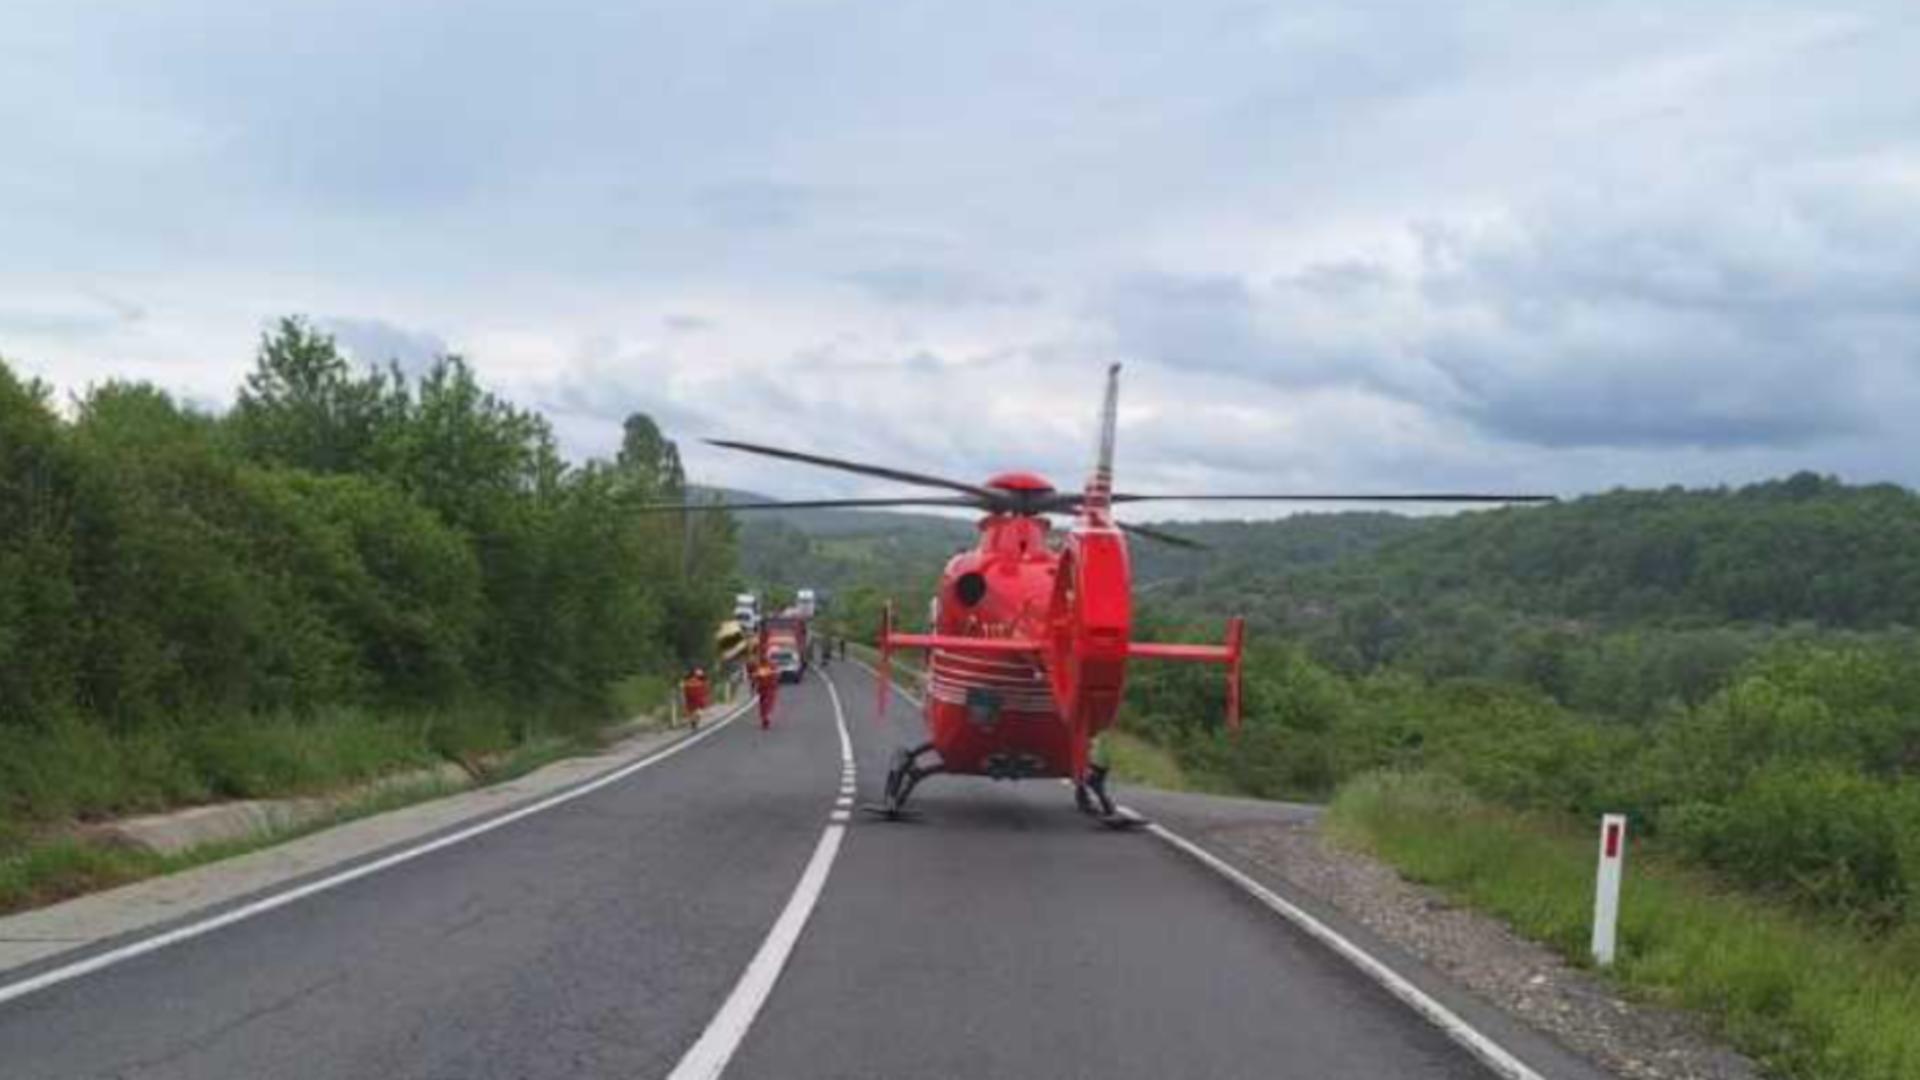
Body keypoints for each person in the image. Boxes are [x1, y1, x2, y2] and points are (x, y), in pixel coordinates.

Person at [751, 656, 779, 730]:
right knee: (767, 704)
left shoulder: (761, 667)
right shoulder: (770, 666)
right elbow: (775, 676)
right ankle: (766, 717)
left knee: (765, 704)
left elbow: (755, 678)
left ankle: (765, 717)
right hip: (767, 688)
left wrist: (753, 687)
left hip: (765, 688)